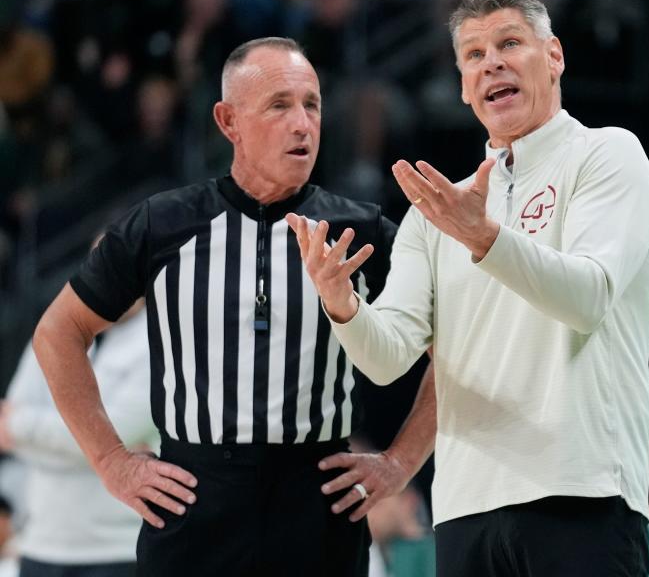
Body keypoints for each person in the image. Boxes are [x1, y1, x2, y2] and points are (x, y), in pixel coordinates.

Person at [289, 0, 649, 576]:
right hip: (466, 509)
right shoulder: (436, 213)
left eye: (510, 43)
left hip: (582, 490)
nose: (492, 62)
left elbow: (588, 297)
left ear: (555, 55)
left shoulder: (607, 155)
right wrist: (343, 306)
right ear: (465, 87)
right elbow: (388, 359)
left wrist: (485, 239)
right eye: (473, 54)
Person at [30, 37, 399, 576]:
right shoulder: (162, 224)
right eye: (279, 105)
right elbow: (58, 332)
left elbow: (453, 342)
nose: (303, 123)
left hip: (318, 500)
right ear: (228, 122)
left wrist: (400, 461)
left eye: (312, 104)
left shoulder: (363, 231)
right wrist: (112, 462)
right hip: (193, 501)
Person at [0, 297, 155, 577]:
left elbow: (120, 430)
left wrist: (26, 430)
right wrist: (101, 449)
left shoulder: (160, 342)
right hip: (41, 544)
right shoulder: (53, 329)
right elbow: (5, 429)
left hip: (117, 549)